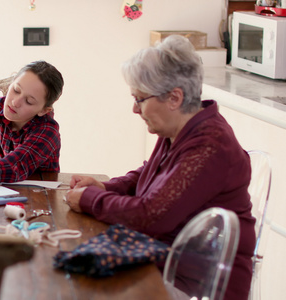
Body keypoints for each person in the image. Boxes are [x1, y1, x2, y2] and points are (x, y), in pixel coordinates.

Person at [64, 35, 255, 300]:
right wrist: (107, 186)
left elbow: (151, 217)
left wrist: (91, 199)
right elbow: (149, 173)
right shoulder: (181, 129)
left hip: (199, 284)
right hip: (170, 261)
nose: (134, 108)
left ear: (174, 98)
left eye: (140, 99)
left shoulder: (210, 146)